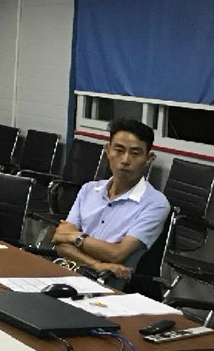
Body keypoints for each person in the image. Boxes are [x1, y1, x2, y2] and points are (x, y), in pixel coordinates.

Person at [52, 118, 170, 284]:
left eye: (135, 153)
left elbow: (117, 254)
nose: (125, 160)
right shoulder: (88, 190)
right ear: (107, 150)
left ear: (149, 158)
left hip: (110, 286)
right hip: (69, 274)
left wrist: (74, 237)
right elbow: (60, 242)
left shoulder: (155, 203)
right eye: (119, 150)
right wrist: (96, 265)